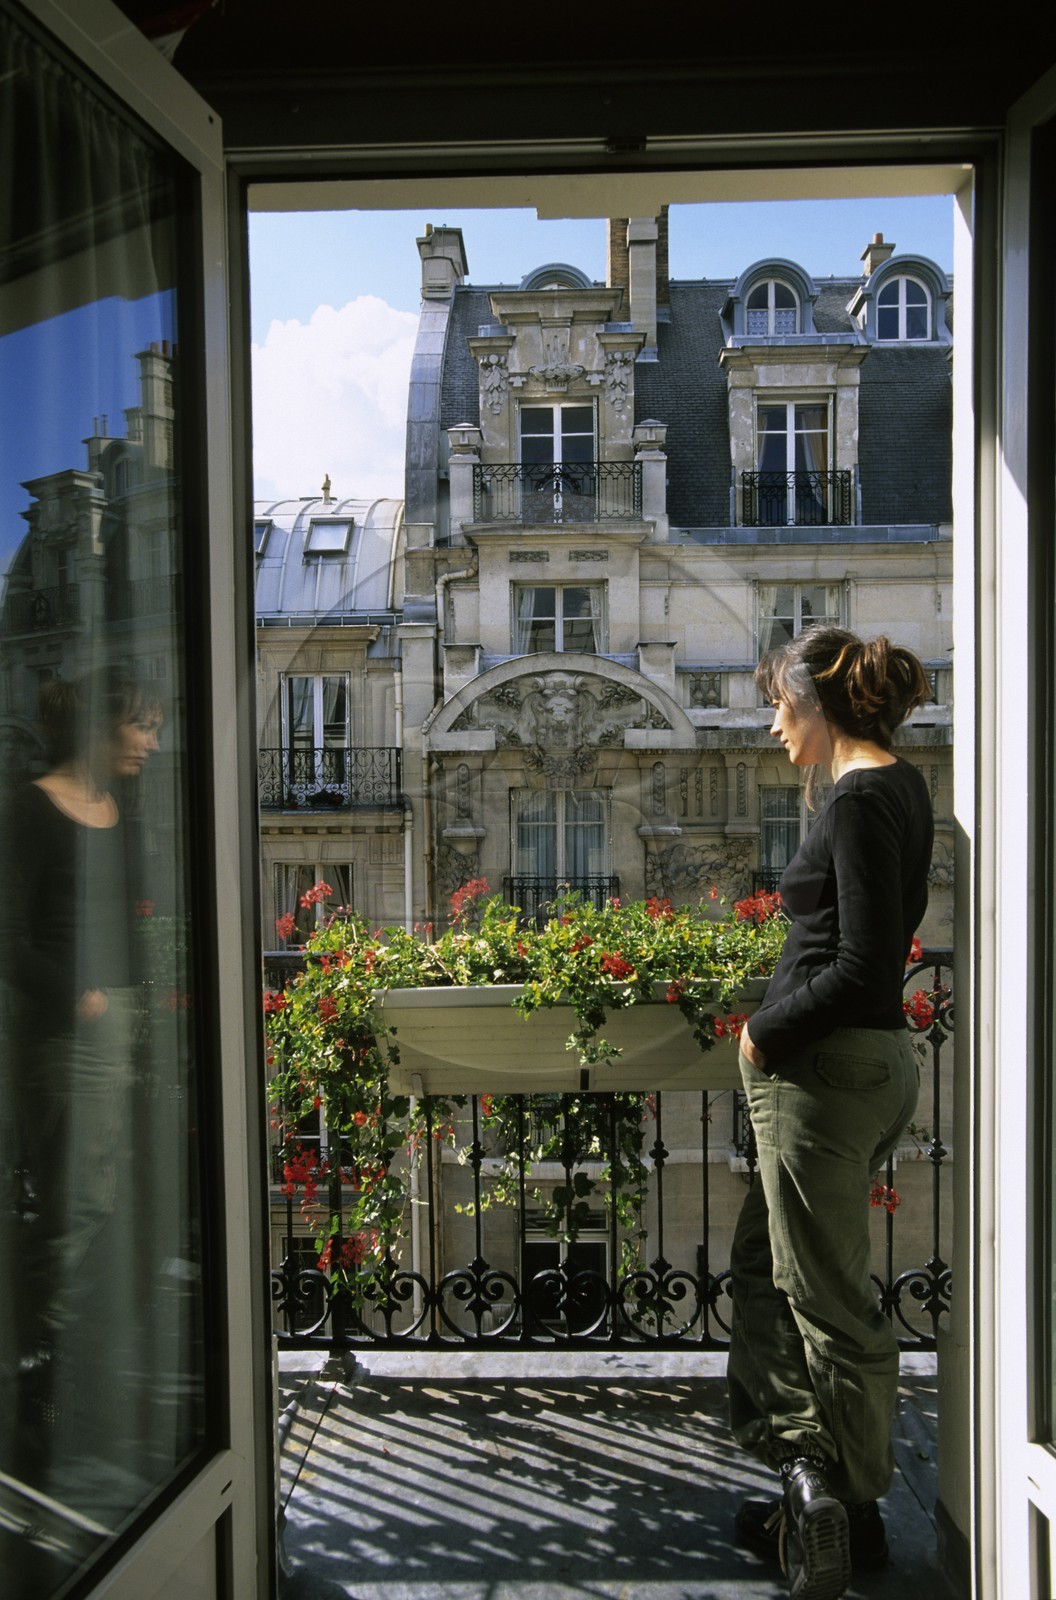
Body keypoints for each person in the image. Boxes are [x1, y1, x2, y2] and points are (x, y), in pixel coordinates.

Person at [728, 626, 932, 1600]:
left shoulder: (858, 800)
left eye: (779, 703)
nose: (771, 724)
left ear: (817, 703)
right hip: (868, 1066)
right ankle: (813, 1489)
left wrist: (767, 1029)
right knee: (770, 1269)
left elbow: (861, 963)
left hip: (821, 1071)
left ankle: (847, 1508)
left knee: (826, 1300)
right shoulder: (903, 784)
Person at [0, 667, 162, 1502]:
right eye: (140, 726)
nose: (152, 742)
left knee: (108, 1201)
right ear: (99, 727)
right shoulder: (30, 810)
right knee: (77, 1205)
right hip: (66, 1039)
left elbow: (132, 920)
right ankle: (33, 1374)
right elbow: (9, 935)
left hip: (120, 1030)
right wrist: (78, 994)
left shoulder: (120, 813)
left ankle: (62, 1368)